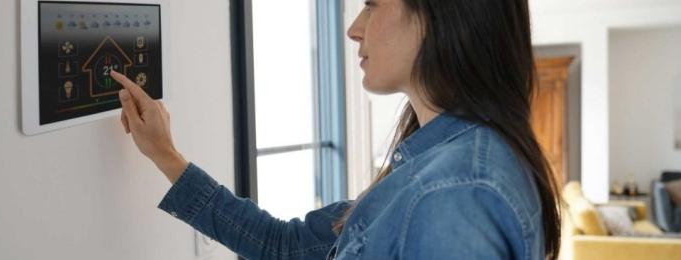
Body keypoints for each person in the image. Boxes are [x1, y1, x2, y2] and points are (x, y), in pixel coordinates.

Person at [109, 0, 560, 258]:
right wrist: (166, 156)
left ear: (439, 13)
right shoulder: (439, 164)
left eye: (372, 3)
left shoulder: (455, 193)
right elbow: (283, 246)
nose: (353, 29)